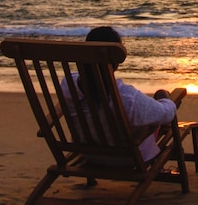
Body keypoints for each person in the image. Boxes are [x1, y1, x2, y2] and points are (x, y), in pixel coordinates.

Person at [60, 25, 182, 164]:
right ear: (117, 60)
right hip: (127, 159)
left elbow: (81, 78)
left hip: (88, 155)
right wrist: (165, 97)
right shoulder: (126, 97)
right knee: (156, 118)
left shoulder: (68, 86)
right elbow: (166, 114)